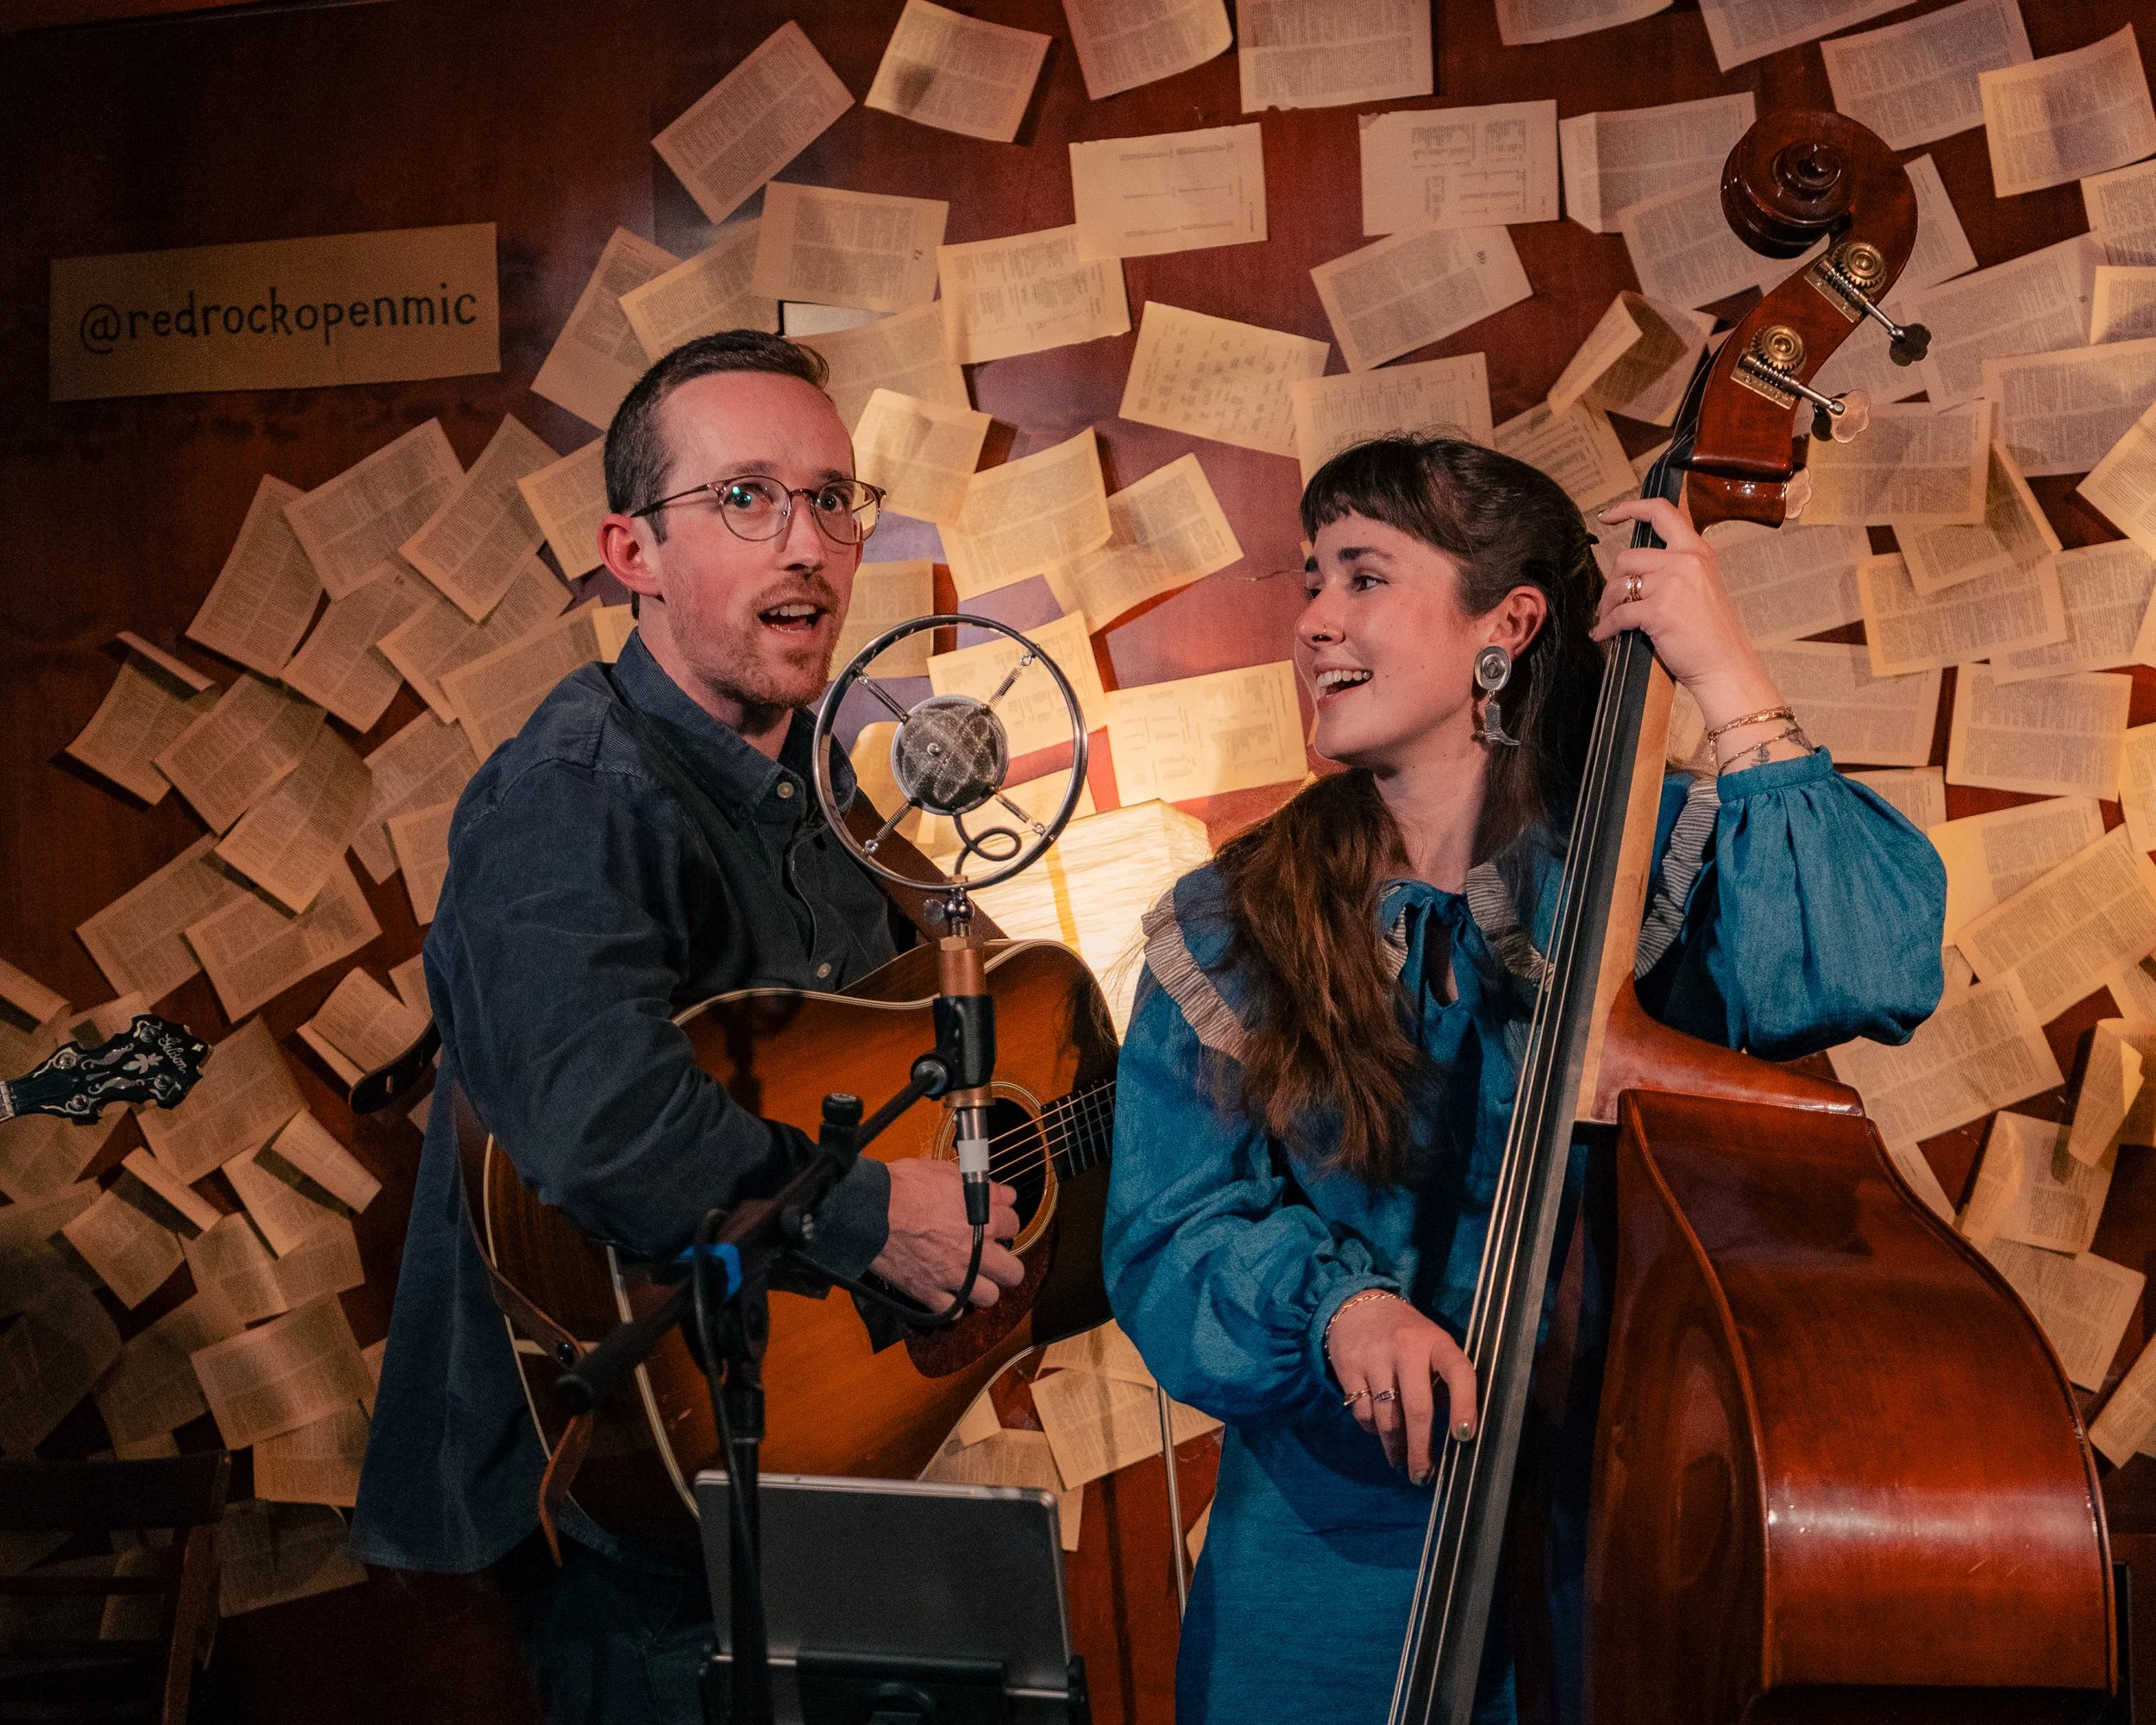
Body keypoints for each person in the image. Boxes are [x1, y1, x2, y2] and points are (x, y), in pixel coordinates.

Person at [1100, 436, 1946, 1725]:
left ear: (1508, 624)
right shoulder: (1232, 920)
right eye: (1312, 580)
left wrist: (1728, 674)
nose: (1315, 621)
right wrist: (1342, 1314)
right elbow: (1172, 1231)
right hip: (1324, 1571)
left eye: (1364, 577)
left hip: (1621, 1538)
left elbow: (1867, 970)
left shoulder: (1653, 860)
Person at [352, 330, 1023, 1724]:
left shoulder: (818, 784)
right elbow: (603, 1126)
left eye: (832, 499)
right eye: (746, 499)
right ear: (631, 554)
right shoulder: (569, 796)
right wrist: (870, 1221)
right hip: (638, 1522)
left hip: (810, 1459)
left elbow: (893, 1044)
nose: (808, 544)